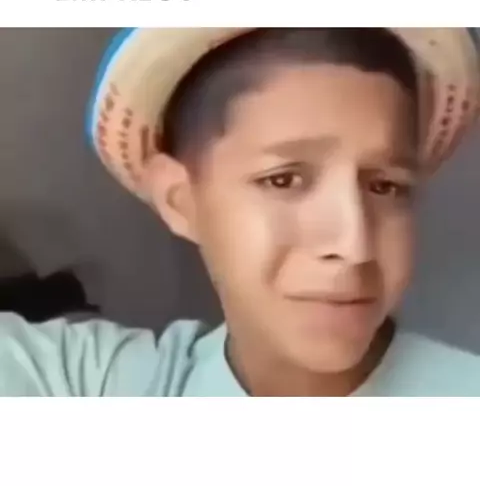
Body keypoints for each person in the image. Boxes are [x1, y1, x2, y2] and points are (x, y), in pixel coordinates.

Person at [0, 27, 479, 396]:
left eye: (386, 186)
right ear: (180, 200)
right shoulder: (101, 384)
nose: (354, 245)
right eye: (284, 179)